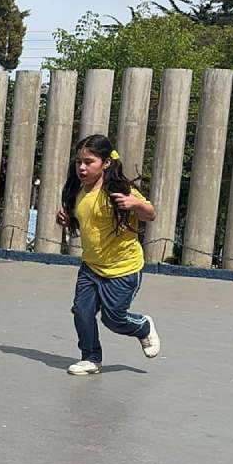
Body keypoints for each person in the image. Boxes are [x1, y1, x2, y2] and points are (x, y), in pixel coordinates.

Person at [55, 134, 161, 376]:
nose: (82, 167)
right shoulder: (76, 191)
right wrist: (65, 219)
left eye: (89, 162)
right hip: (91, 267)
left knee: (113, 320)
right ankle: (90, 358)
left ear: (105, 163)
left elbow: (150, 213)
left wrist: (134, 204)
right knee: (82, 312)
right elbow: (83, 220)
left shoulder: (121, 190)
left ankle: (143, 326)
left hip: (123, 269)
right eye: (78, 162)